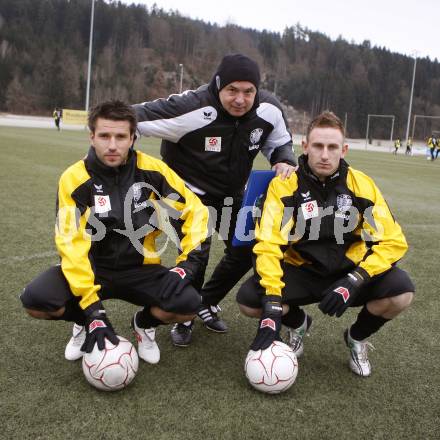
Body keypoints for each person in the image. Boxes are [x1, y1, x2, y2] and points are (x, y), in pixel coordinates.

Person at [20, 100, 210, 365]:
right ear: (92, 136)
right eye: (104, 136)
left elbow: (195, 212)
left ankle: (143, 324)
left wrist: (187, 265)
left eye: (121, 136)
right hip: (93, 266)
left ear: (132, 138)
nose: (112, 145)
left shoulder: (153, 171)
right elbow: (71, 243)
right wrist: (92, 308)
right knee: (36, 300)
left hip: (140, 267)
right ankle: (85, 322)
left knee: (188, 305)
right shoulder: (74, 178)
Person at [133, 53, 296, 347]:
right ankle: (184, 318)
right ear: (218, 85)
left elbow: (280, 141)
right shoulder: (190, 107)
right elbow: (131, 117)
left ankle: (203, 303)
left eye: (248, 91)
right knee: (198, 254)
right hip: (187, 194)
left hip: (232, 194)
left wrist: (283, 159)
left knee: (246, 248)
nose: (240, 99)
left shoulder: (269, 109)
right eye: (232, 90)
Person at [237, 111, 414, 377]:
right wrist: (273, 300)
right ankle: (298, 324)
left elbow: (393, 241)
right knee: (250, 301)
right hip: (302, 270)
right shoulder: (286, 185)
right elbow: (268, 244)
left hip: (348, 271)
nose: (324, 155)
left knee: (401, 292)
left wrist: (356, 278)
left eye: (332, 147)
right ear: (305, 146)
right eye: (318, 146)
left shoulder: (361, 185)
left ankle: (356, 337)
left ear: (343, 150)